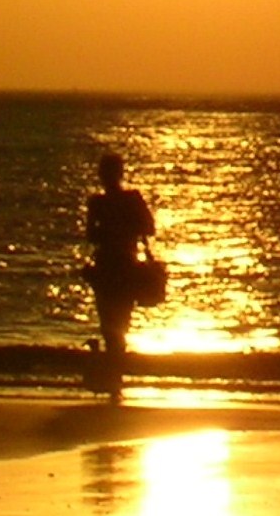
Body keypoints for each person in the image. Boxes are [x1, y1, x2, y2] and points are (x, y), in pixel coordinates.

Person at [83, 151, 155, 396]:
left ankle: (112, 375)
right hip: (122, 266)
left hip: (110, 267)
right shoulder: (129, 200)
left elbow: (91, 236)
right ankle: (114, 376)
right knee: (118, 325)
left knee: (112, 325)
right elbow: (148, 227)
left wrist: (110, 230)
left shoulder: (99, 203)